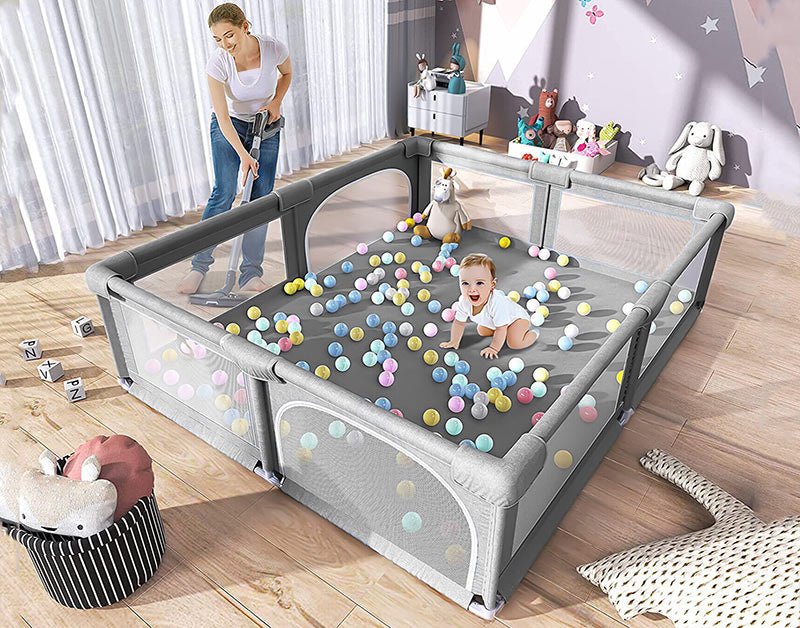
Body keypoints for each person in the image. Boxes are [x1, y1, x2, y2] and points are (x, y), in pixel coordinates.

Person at [178, 3, 292, 294]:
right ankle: (199, 266)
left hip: (266, 125)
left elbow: (286, 74)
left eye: (229, 35)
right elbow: (222, 114)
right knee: (225, 192)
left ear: (244, 26)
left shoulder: (272, 48)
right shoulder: (218, 63)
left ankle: (250, 274)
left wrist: (276, 102)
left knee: (260, 198)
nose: (224, 44)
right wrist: (243, 155)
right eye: (217, 39)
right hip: (229, 127)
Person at [440, 253, 538, 359]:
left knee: (514, 343)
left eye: (479, 283)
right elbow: (459, 323)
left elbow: (501, 328)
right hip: (498, 322)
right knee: (481, 330)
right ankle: (504, 334)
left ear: (492, 285)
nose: (472, 289)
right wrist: (454, 341)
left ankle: (534, 334)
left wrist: (494, 348)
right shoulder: (464, 301)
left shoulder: (497, 303)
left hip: (517, 320)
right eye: (465, 283)